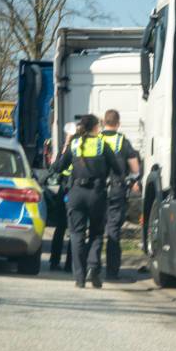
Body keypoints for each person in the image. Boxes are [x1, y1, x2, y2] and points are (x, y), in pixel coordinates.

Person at [52, 114, 121, 288]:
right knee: (97, 233)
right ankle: (93, 267)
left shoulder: (74, 145)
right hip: (96, 194)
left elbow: (59, 167)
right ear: (95, 128)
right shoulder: (101, 144)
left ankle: (80, 277)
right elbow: (117, 168)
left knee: (76, 235)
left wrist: (65, 149)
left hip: (76, 194)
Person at [100, 109, 141, 280]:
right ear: (118, 124)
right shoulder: (123, 142)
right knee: (113, 231)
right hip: (117, 190)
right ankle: (111, 271)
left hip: (97, 190)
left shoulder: (96, 140)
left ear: (103, 122)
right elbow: (135, 168)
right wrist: (133, 182)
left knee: (95, 231)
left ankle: (91, 267)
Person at [49, 123, 77, 272]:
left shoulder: (70, 148)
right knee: (73, 228)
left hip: (66, 189)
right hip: (74, 189)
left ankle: (55, 262)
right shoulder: (79, 147)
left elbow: (57, 167)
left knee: (61, 227)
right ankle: (68, 265)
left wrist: (65, 146)